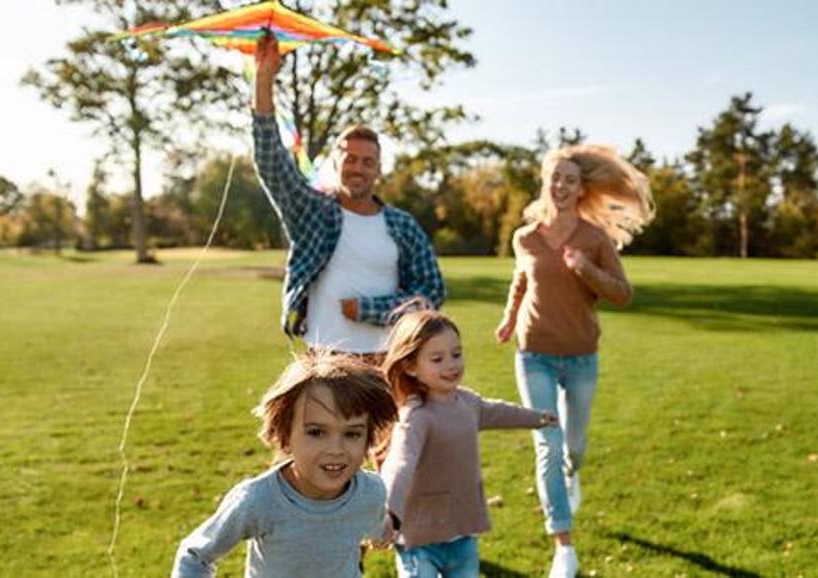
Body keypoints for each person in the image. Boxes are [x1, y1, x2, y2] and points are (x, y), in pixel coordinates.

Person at [494, 144, 654, 578]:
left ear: (581, 189)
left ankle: (573, 474)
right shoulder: (524, 237)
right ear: (544, 183)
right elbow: (520, 281)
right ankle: (563, 545)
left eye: (570, 180)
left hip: (581, 357)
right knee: (547, 442)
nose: (561, 186)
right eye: (555, 178)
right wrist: (509, 321)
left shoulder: (594, 238)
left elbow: (622, 293)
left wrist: (587, 270)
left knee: (573, 448)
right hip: (534, 355)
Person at [252, 34, 444, 359]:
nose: (358, 168)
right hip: (325, 358)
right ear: (335, 163)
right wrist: (263, 78)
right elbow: (271, 160)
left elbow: (432, 291)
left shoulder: (402, 225)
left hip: (389, 359)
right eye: (350, 159)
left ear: (379, 169)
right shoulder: (313, 212)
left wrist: (372, 309)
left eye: (367, 162)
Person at [172, 351, 398, 577]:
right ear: (285, 437)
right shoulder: (257, 500)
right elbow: (196, 555)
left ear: (369, 438)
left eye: (352, 434)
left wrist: (383, 532)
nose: (336, 450)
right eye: (317, 432)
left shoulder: (371, 491)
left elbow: (377, 525)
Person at [378, 307, 557, 577]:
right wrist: (389, 514)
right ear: (411, 366)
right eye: (437, 359)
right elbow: (400, 465)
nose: (451, 365)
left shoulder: (468, 402)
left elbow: (499, 412)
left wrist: (537, 417)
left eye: (456, 354)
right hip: (419, 539)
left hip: (462, 534)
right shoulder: (416, 417)